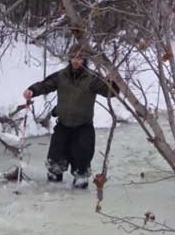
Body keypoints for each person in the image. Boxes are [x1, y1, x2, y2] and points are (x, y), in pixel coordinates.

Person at [23, 44, 119, 188]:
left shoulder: (92, 78)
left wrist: (114, 82)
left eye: (80, 58)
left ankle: (77, 203)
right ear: (69, 58)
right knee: (54, 166)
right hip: (63, 125)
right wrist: (32, 90)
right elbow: (46, 85)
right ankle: (54, 200)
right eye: (73, 57)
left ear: (85, 59)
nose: (76, 61)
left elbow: (111, 92)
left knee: (81, 171)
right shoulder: (62, 76)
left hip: (83, 128)